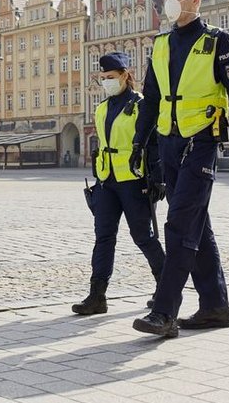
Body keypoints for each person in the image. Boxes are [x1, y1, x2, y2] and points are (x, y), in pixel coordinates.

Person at [131, 0, 229, 338]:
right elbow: (151, 100)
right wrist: (141, 144)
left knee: (180, 224)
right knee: (196, 227)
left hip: (201, 142)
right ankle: (215, 306)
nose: (169, 3)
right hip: (169, 144)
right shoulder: (160, 44)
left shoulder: (218, 41)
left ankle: (164, 311)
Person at [72, 52, 166, 316]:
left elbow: (155, 144)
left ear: (126, 75)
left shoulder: (141, 105)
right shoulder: (102, 108)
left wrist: (159, 179)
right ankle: (97, 296)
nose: (106, 82)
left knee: (143, 237)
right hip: (107, 182)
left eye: (111, 77)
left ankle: (166, 289)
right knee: (103, 238)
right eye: (103, 78)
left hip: (134, 181)